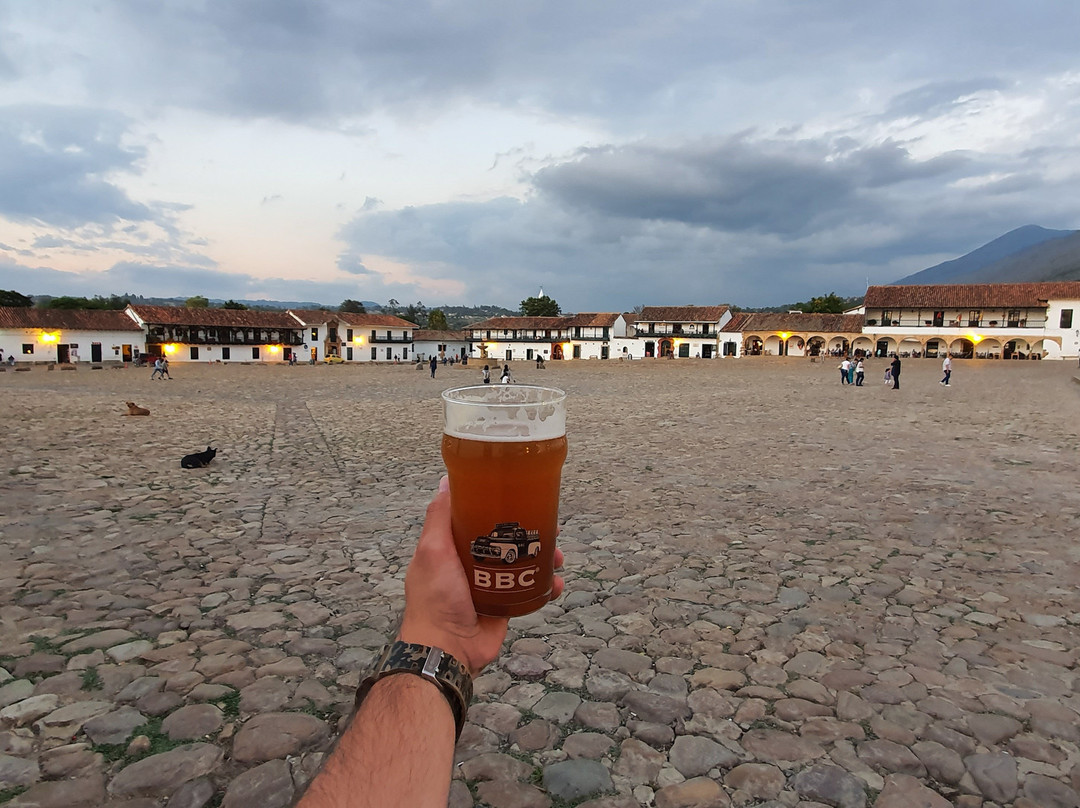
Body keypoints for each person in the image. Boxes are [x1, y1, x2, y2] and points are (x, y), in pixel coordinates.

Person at [296, 477, 565, 807]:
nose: (497, 541)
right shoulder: (496, 540)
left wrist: (438, 637)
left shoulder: (521, 540)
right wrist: (445, 638)